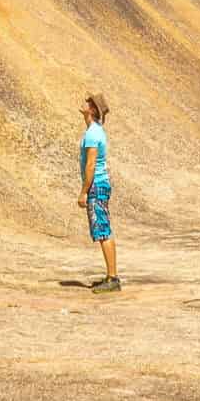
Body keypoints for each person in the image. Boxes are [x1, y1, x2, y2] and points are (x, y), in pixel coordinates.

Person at [79, 92, 119, 292]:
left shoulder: (93, 133)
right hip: (100, 184)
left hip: (96, 185)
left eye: (89, 102)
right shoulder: (95, 131)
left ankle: (113, 278)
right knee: (102, 229)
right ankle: (110, 276)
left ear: (93, 110)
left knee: (103, 230)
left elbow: (91, 164)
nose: (85, 103)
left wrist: (84, 191)